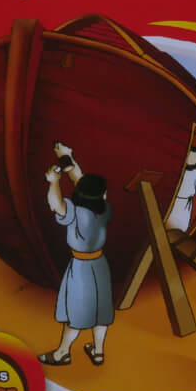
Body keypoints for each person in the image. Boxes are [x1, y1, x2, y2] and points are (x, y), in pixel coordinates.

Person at [38, 142, 113, 367]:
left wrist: (53, 182)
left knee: (76, 311)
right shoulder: (104, 209)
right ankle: (98, 351)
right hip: (100, 264)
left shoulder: (75, 212)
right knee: (101, 309)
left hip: (81, 268)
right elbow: (82, 183)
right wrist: (69, 159)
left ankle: (63, 353)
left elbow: (55, 204)